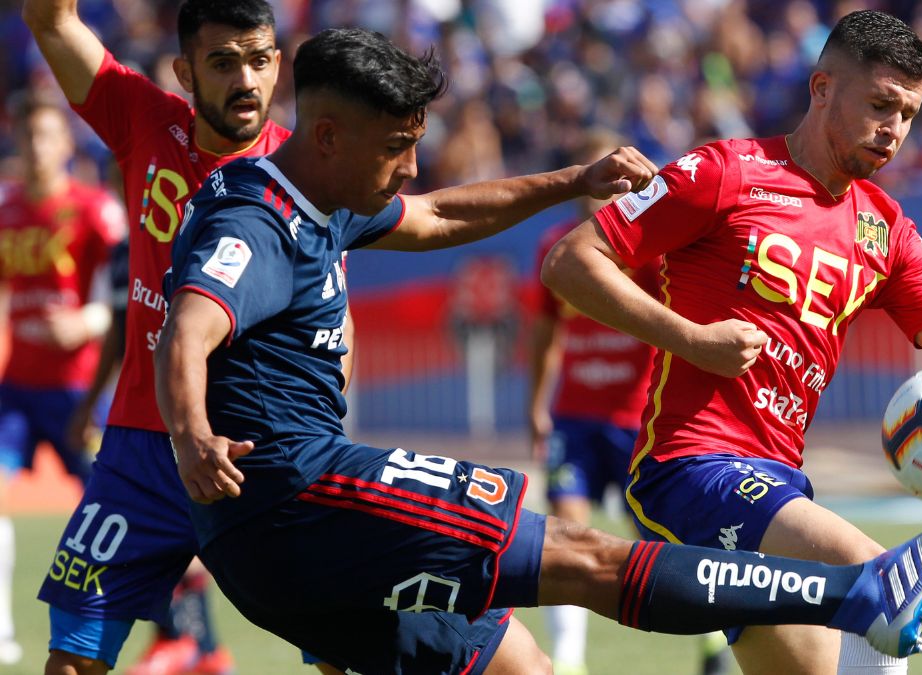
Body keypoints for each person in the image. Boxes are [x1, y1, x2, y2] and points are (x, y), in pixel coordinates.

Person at [154, 27, 922, 675]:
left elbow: (442, 216)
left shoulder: (323, 195)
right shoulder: (257, 219)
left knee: (520, 661)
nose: (409, 171)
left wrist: (570, 180)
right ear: (330, 136)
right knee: (585, 555)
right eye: (395, 149)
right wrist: (191, 434)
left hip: (295, 545)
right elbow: (190, 323)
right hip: (296, 492)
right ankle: (861, 591)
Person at [541, 10, 922, 675]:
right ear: (822, 88)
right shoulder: (724, 171)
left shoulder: (884, 230)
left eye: (909, 113)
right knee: (879, 578)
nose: (894, 128)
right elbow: (571, 261)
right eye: (881, 104)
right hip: (692, 469)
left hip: (781, 483)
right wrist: (692, 339)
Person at [25, 2, 550, 674]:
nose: (245, 78)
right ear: (186, 70)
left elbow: (437, 215)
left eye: (259, 58)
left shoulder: (316, 166)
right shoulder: (141, 117)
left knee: (352, 654)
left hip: (271, 455)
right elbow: (51, 20)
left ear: (280, 64)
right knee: (72, 660)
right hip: (146, 451)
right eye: (222, 62)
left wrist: (568, 183)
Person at [528, 129, 731, 675]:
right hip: (575, 416)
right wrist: (536, 403)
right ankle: (569, 662)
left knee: (661, 541)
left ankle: (713, 636)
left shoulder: (649, 250)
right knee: (565, 530)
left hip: (637, 419)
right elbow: (546, 334)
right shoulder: (557, 249)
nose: (600, 193)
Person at [0, 93, 125, 667]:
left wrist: (85, 322)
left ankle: (186, 631)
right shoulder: (7, 211)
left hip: (78, 391)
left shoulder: (97, 210)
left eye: (46, 137)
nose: (35, 148)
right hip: (15, 390)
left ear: (66, 145)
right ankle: (2, 629)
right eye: (26, 139)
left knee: (116, 513)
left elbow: (120, 298)